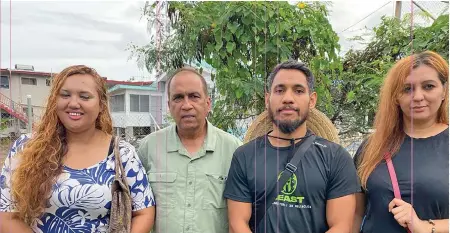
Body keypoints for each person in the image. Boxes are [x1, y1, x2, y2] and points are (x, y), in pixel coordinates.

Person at [0, 65, 155, 233]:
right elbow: (7, 215)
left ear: (101, 104)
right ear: (55, 100)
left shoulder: (122, 153)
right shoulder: (26, 147)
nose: (73, 103)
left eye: (85, 97)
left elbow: (143, 212)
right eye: (65, 95)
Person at [224, 60, 361, 233]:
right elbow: (237, 224)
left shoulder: (336, 158)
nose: (288, 98)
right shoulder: (244, 156)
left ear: (312, 100)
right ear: (268, 99)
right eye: (280, 90)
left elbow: (341, 226)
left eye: (298, 91)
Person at [353, 51, 449, 233]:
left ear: (444, 91)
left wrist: (424, 226)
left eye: (428, 86)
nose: (418, 96)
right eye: (407, 89)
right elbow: (356, 213)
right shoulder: (372, 147)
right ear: (396, 97)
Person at [137, 67, 242, 233]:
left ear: (208, 103)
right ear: (169, 105)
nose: (186, 105)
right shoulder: (149, 147)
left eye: (194, 96)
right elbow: (136, 210)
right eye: (178, 98)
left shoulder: (234, 150)